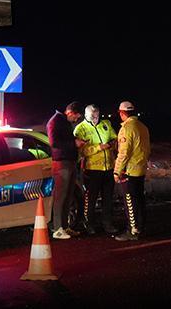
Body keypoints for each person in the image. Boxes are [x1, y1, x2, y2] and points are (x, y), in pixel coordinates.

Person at [74, 104, 119, 235]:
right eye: (92, 116)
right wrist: (98, 148)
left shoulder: (106, 124)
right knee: (91, 198)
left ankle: (108, 223)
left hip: (108, 167)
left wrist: (112, 144)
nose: (95, 118)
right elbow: (80, 152)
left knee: (108, 198)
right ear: (86, 115)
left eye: (97, 115)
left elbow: (114, 138)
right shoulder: (80, 129)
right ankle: (89, 224)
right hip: (92, 170)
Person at [113, 101, 151, 241]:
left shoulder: (127, 128)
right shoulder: (143, 127)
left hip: (130, 170)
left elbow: (124, 153)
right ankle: (140, 227)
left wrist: (117, 171)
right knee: (140, 199)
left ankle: (132, 230)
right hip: (140, 168)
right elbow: (147, 149)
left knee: (130, 201)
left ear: (122, 113)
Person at [47, 101, 84, 240]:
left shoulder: (64, 122)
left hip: (70, 162)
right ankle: (57, 228)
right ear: (70, 112)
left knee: (68, 196)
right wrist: (73, 143)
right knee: (60, 196)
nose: (76, 120)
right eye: (76, 117)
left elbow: (65, 139)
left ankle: (65, 226)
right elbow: (54, 143)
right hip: (61, 163)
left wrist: (76, 141)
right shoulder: (55, 121)